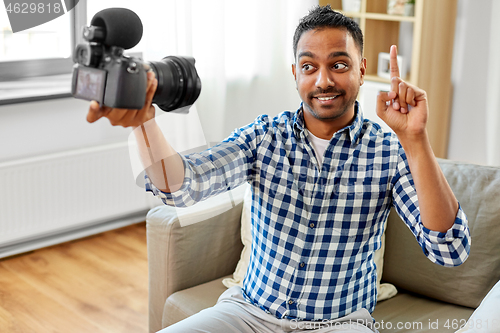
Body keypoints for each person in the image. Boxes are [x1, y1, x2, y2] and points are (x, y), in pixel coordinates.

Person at [87, 5, 470, 333]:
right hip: (248, 312)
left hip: (339, 322)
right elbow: (184, 186)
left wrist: (415, 138)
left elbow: (449, 250)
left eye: (339, 64)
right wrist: (144, 120)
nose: (323, 80)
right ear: (295, 73)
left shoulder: (389, 151)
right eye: (309, 66)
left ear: (361, 69)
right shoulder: (263, 137)